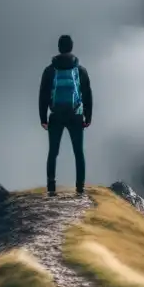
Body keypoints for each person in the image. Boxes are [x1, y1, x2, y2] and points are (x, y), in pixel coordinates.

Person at [38, 34, 93, 196]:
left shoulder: (49, 70)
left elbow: (43, 94)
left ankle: (51, 187)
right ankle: (80, 187)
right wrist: (88, 117)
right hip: (76, 115)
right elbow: (87, 94)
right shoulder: (80, 70)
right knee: (78, 152)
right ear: (71, 47)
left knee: (53, 152)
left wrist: (43, 118)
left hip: (55, 116)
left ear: (58, 48)